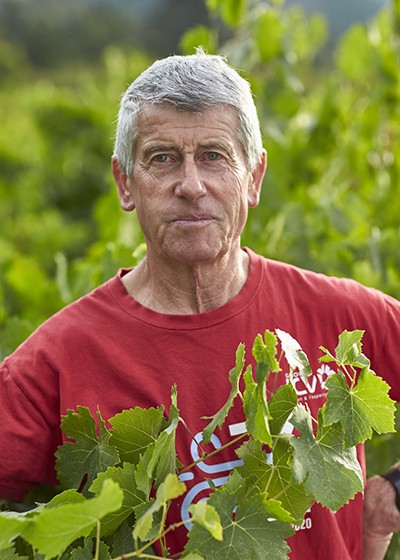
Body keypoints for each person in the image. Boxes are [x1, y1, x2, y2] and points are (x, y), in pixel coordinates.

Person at [1, 50, 399, 559]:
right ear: (125, 183)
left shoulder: (343, 316)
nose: (191, 185)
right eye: (162, 157)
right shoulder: (55, 362)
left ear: (253, 178)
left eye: (214, 155)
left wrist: (392, 495)